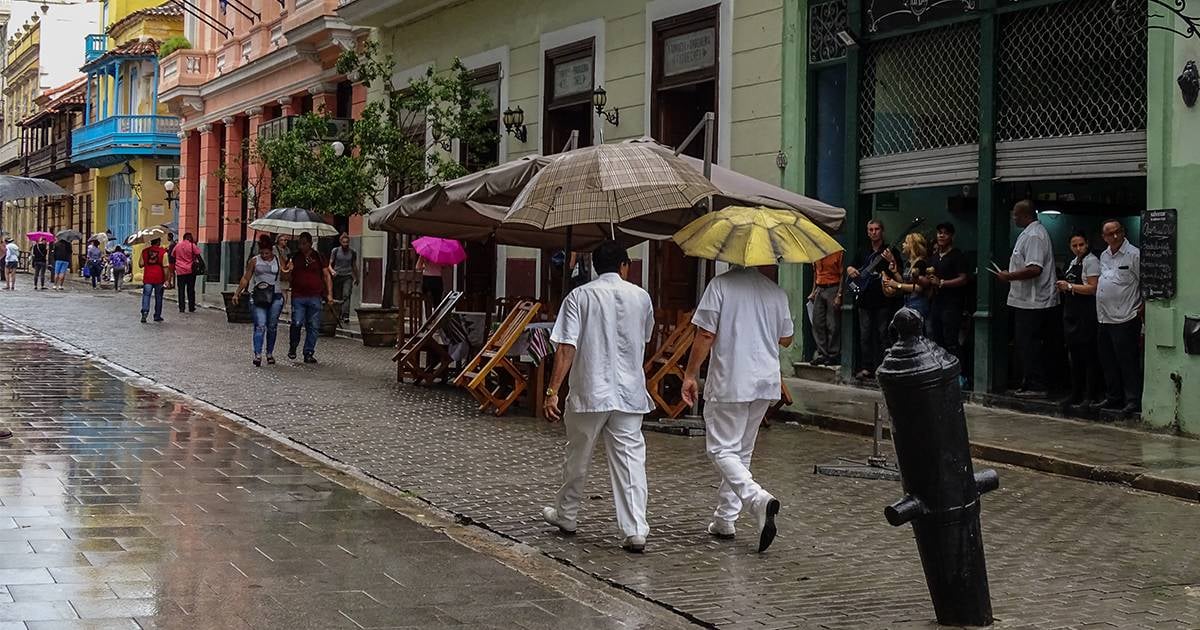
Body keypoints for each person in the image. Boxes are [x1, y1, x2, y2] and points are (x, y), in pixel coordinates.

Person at [541, 241, 654, 554]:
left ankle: (568, 514)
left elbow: (566, 347)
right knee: (631, 461)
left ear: (594, 267)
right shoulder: (642, 297)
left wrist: (552, 391)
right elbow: (644, 338)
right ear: (624, 266)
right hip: (629, 392)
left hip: (591, 389)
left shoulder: (579, 296)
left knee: (577, 456)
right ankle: (634, 529)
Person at [681, 264, 794, 553]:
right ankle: (725, 519)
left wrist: (691, 374)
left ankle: (757, 499)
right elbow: (787, 338)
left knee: (720, 450)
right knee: (741, 452)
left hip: (732, 378)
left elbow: (705, 334)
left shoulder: (720, 285)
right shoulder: (775, 291)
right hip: (764, 381)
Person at [995, 200, 1058, 398]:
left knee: (1029, 343)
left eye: (1015, 215)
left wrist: (1008, 276)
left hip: (1033, 302)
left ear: (1025, 215)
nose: (1013, 218)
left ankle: (1037, 385)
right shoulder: (1029, 233)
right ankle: (1028, 381)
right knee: (1024, 343)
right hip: (1025, 300)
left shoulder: (1034, 236)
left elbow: (1034, 268)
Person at [1095, 220, 1142, 413]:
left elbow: (1144, 283)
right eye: (1110, 234)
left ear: (1123, 232)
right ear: (1104, 237)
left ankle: (1132, 399)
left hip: (1126, 317)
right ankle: (1113, 396)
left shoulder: (1134, 255)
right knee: (1108, 360)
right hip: (1104, 317)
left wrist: (1142, 309)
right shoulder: (1104, 255)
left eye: (1118, 232)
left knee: (1127, 360)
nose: (1115, 237)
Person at [845, 219, 900, 379]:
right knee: (865, 334)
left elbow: (898, 271)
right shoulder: (863, 250)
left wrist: (891, 260)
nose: (873, 232)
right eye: (871, 229)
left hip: (883, 298)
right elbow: (851, 266)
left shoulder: (890, 250)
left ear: (882, 231)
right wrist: (850, 269)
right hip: (864, 298)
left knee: (883, 334)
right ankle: (866, 367)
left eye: (876, 229)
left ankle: (883, 366)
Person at [1054, 230, 1102, 407]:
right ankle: (1076, 392)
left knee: (1089, 355)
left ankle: (1090, 395)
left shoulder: (1092, 262)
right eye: (1074, 245)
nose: (1078, 248)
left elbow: (1092, 288)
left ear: (1087, 244)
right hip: (1071, 313)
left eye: (1081, 245)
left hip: (1086, 313)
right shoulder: (1073, 262)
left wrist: (1070, 286)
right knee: (1075, 356)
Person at [235, 235, 292, 367]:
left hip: (276, 296)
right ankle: (258, 354)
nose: (264, 255)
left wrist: (289, 268)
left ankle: (269, 353)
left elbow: (285, 275)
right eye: (262, 253)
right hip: (258, 296)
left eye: (267, 253)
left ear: (271, 250)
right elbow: (246, 278)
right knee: (260, 325)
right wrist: (237, 293)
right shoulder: (254, 261)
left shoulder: (278, 260)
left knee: (272, 326)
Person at [287, 232, 333, 364]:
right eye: (299, 243)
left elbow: (326, 275)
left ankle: (308, 352)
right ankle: (293, 345)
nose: (301, 246)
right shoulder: (295, 257)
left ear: (310, 243)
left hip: (315, 296)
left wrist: (329, 294)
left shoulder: (318, 256)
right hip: (298, 296)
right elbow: (286, 277)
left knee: (313, 326)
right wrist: (289, 270)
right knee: (297, 322)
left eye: (304, 243)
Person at [928, 223, 970, 363]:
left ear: (952, 236)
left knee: (951, 340)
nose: (941, 235)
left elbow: (963, 278)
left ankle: (959, 375)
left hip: (951, 304)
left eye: (945, 233)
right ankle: (942, 373)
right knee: (937, 339)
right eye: (939, 232)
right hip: (936, 302)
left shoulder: (957, 256)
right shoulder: (934, 257)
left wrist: (942, 283)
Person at [882, 232, 932, 320]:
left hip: (918, 303)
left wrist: (896, 285)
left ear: (912, 246)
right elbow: (904, 283)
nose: (903, 244)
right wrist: (895, 272)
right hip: (908, 302)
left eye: (906, 242)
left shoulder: (920, 263)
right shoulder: (909, 263)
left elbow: (918, 288)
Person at [807, 250, 843, 366]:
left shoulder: (837, 253)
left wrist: (839, 294)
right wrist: (813, 291)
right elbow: (815, 273)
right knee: (817, 322)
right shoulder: (816, 254)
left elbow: (842, 274)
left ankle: (833, 354)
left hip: (833, 287)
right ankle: (822, 353)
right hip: (820, 288)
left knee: (832, 323)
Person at [329, 232, 359, 324]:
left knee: (346, 295)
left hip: (348, 275)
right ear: (340, 242)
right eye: (344, 242)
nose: (345, 244)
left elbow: (354, 265)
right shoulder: (335, 251)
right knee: (338, 297)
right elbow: (330, 264)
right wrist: (332, 271)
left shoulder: (352, 252)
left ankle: (345, 315)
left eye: (347, 242)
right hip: (337, 275)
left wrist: (356, 277)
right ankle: (338, 314)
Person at [139, 238, 169, 323]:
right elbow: (165, 268)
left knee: (146, 295)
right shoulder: (163, 253)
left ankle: (144, 312)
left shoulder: (144, 251)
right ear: (158, 242)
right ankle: (157, 315)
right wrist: (166, 279)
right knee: (158, 297)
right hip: (159, 278)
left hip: (148, 278)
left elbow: (140, 264)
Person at [172, 233, 202, 313]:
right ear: (189, 238)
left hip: (180, 271)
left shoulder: (177, 246)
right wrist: (202, 266)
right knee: (191, 289)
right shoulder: (192, 246)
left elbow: (173, 255)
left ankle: (182, 308)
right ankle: (191, 307)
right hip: (190, 270)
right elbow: (199, 256)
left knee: (181, 290)